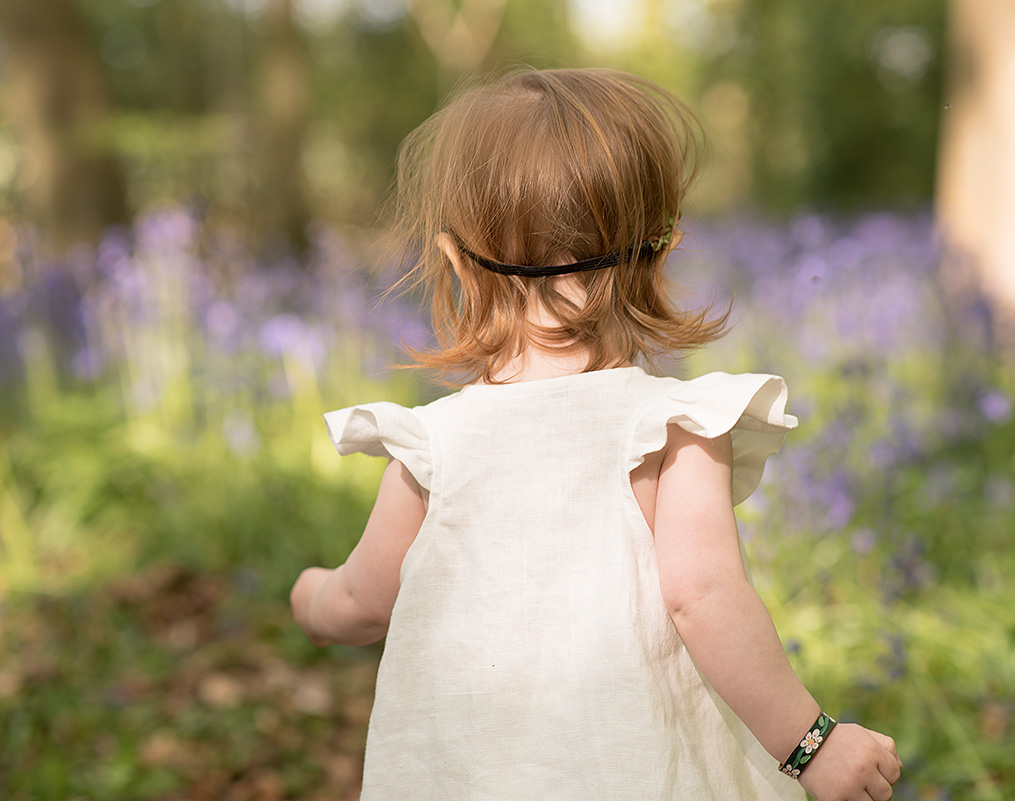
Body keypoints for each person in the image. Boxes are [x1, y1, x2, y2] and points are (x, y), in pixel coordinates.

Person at [290, 67, 902, 801]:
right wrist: (814, 745)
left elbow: (363, 599)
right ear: (665, 251)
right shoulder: (673, 429)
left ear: (454, 263)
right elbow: (703, 595)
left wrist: (311, 598)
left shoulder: (433, 448)